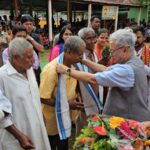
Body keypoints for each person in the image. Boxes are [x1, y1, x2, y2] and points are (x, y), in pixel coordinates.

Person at [57, 29, 150, 122]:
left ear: (125, 49)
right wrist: (84, 61)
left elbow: (92, 79)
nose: (111, 54)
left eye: (113, 50)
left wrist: (66, 70)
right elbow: (106, 69)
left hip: (128, 122)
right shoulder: (135, 62)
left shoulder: (127, 70)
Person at [0, 38, 51, 150]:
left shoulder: (29, 70)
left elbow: (33, 97)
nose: (33, 61)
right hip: (17, 135)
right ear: (16, 58)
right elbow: (1, 114)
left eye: (32, 55)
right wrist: (19, 136)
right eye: (28, 57)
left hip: (37, 128)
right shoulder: (2, 76)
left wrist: (40, 115)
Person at [40, 36, 85, 150]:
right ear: (69, 52)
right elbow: (43, 98)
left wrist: (77, 95)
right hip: (52, 119)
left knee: (64, 144)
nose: (82, 57)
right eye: (80, 54)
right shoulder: (51, 70)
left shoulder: (74, 66)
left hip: (67, 114)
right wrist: (67, 104)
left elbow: (74, 85)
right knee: (52, 144)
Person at [21, 15, 44, 86]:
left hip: (35, 67)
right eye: (26, 24)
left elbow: (42, 50)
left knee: (36, 86)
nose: (29, 26)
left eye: (31, 24)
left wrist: (31, 39)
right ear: (21, 24)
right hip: (22, 68)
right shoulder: (18, 35)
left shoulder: (35, 36)